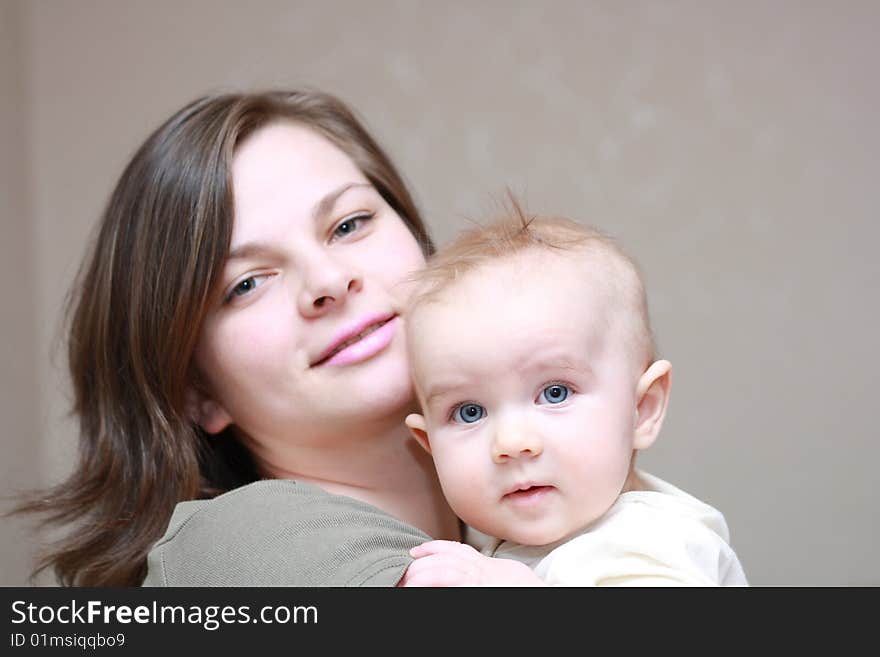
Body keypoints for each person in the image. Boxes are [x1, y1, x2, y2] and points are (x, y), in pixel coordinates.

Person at [15, 89, 460, 586]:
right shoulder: (232, 548)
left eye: (349, 225)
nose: (329, 281)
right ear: (196, 391)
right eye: (246, 284)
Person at [399, 204, 749, 586]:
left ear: (642, 408)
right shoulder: (506, 554)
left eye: (554, 393)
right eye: (469, 412)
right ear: (429, 445)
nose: (512, 443)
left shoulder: (651, 542)